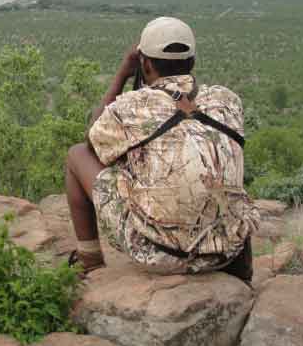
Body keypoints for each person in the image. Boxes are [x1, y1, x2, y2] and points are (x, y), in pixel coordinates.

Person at [65, 16, 259, 282]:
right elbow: (185, 112)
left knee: (76, 154)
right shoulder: (227, 100)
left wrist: (123, 72)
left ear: (144, 63)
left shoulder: (132, 107)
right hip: (227, 251)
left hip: (160, 255)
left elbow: (92, 142)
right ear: (192, 61)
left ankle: (89, 262)